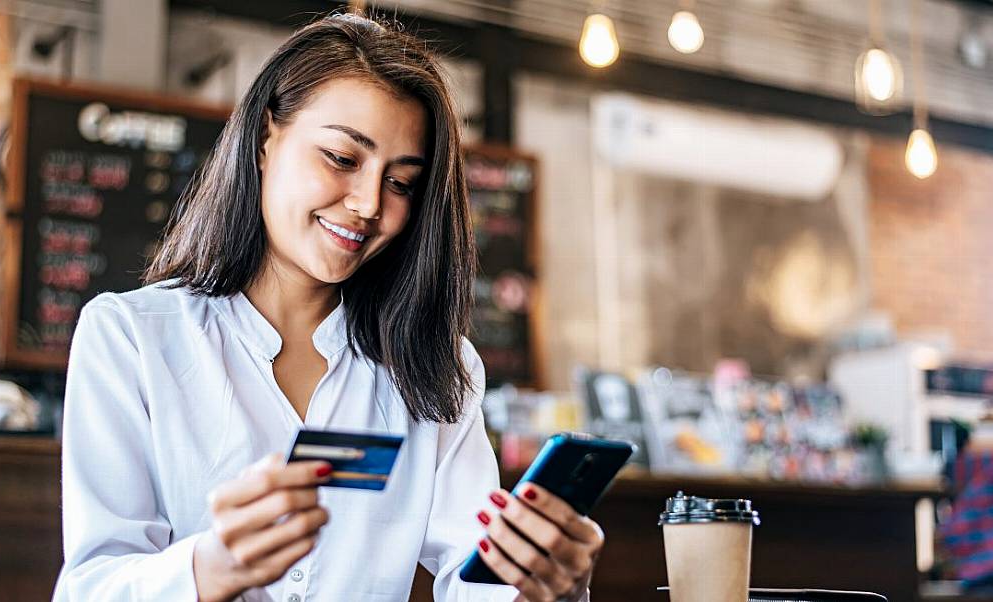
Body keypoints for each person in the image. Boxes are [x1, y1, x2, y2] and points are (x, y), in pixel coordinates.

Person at [52, 13, 604, 602]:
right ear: (266, 137)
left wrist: (546, 585)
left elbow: (475, 584)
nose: (368, 204)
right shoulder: (131, 337)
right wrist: (210, 567)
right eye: (342, 158)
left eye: (402, 183)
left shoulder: (438, 370)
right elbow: (90, 587)